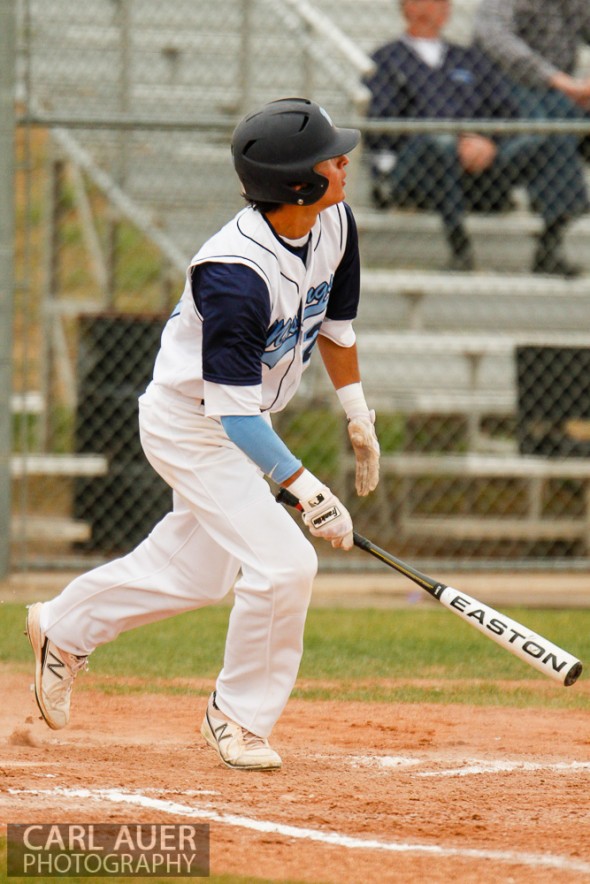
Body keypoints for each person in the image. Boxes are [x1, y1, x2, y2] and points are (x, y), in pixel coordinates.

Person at [24, 98, 380, 772]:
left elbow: (336, 328)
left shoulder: (335, 222)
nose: (345, 162)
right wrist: (306, 489)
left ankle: (64, 629)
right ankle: (236, 716)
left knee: (196, 571)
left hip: (244, 421)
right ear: (298, 184)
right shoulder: (233, 274)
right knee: (285, 564)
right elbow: (233, 414)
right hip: (193, 424)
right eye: (332, 158)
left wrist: (358, 415)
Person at [364, 0, 589, 275]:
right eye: (418, 1)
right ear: (404, 7)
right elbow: (382, 126)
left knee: (550, 138)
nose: (427, 8)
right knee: (441, 143)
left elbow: (505, 112)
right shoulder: (386, 59)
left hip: (477, 171)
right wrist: (457, 139)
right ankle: (460, 249)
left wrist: (487, 141)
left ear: (447, 10)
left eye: (436, 2)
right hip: (419, 172)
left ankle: (550, 245)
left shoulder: (468, 59)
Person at [474, 0, 590, 271]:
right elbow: (496, 40)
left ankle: (559, 215)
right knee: (556, 126)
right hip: (503, 87)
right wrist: (557, 80)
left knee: (560, 115)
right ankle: (555, 233)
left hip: (557, 92)